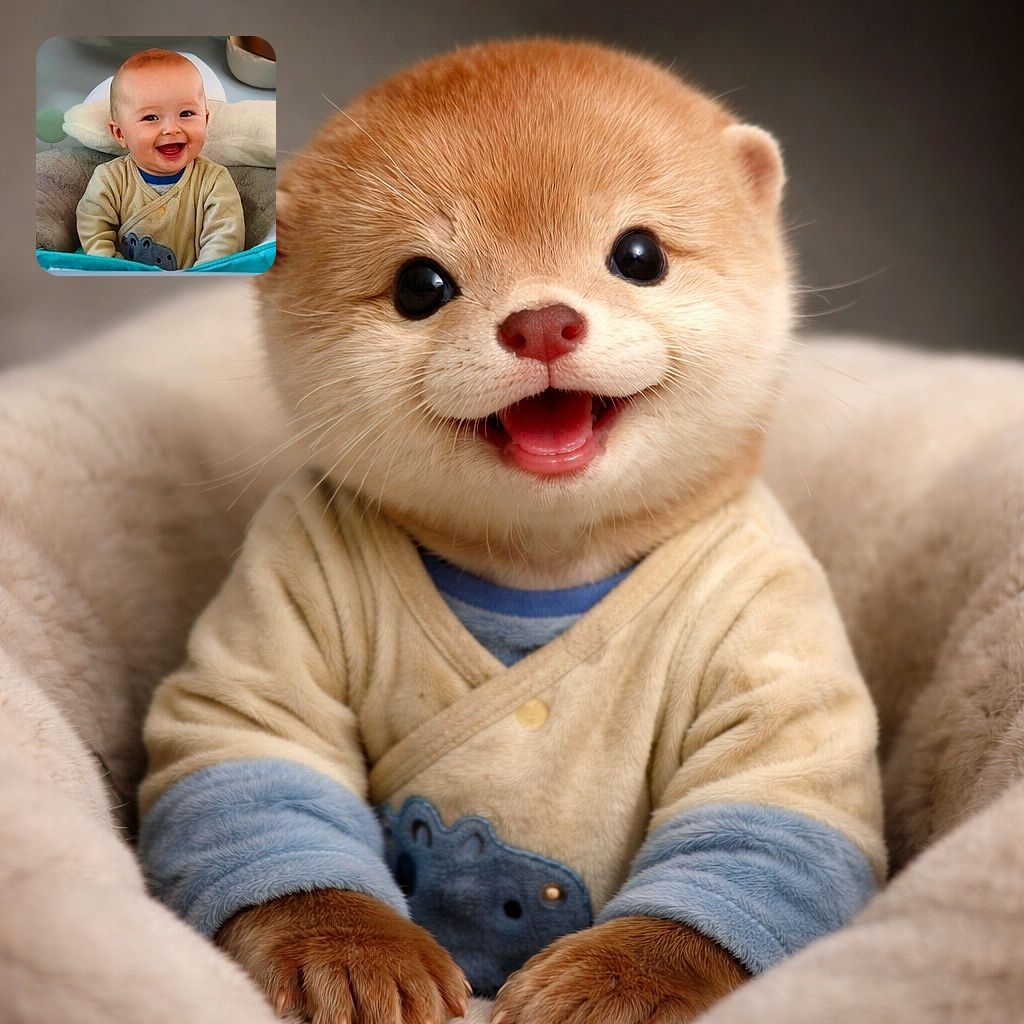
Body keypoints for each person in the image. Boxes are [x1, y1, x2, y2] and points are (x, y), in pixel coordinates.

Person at [76, 49, 244, 270]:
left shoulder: (214, 181)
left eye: (186, 114)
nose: (171, 129)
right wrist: (118, 274)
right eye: (151, 117)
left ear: (205, 119)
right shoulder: (110, 179)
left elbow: (225, 238)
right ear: (120, 134)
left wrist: (198, 279)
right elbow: (94, 230)